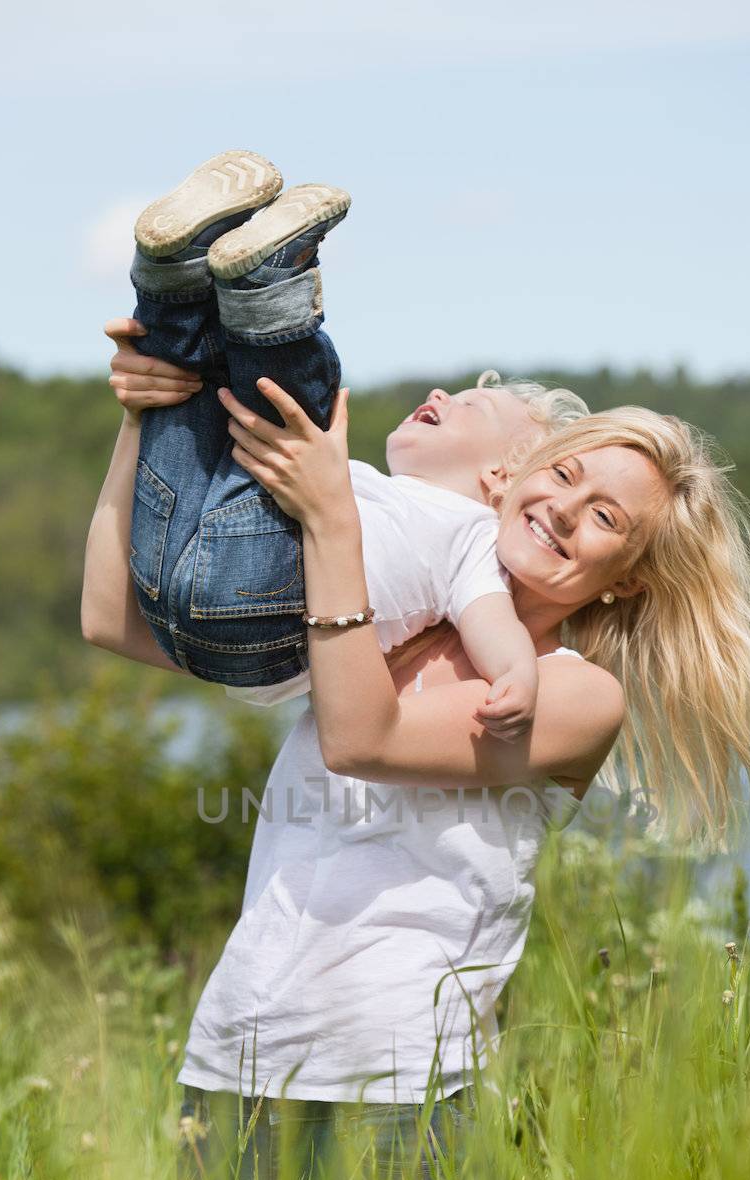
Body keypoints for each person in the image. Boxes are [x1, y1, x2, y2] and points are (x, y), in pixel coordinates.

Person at [81, 175, 750, 1180]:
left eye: (604, 518)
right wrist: (146, 427)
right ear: (513, 481)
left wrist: (325, 516)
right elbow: (114, 618)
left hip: (394, 1085)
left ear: (628, 580)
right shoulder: (388, 618)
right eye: (563, 476)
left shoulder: (572, 696)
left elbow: (361, 736)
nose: (560, 508)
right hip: (235, 1052)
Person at [109, 148, 588, 744]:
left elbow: (493, 621)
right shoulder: (375, 490)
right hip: (176, 591)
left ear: (501, 476)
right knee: (194, 405)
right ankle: (175, 274)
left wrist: (518, 675)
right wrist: (139, 415)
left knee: (294, 415)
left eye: (474, 405)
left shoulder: (472, 535)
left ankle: (267, 284)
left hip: (270, 625)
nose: (443, 392)